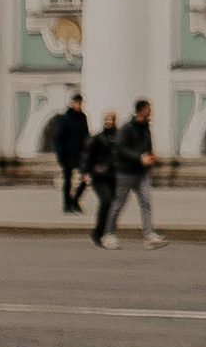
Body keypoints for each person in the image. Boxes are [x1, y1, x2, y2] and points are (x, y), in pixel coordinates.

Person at [105, 99, 163, 250]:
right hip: (125, 172)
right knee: (119, 203)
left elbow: (148, 146)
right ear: (141, 110)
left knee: (146, 202)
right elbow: (120, 148)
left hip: (141, 173)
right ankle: (109, 234)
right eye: (148, 108)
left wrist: (151, 158)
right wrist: (139, 157)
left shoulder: (146, 127)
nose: (150, 111)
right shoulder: (127, 128)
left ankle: (149, 235)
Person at [45, 91, 90, 217]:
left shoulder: (83, 117)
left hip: (81, 154)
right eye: (76, 102)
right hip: (68, 154)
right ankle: (67, 204)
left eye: (80, 103)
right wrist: (61, 155)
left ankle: (74, 200)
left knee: (85, 179)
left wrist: (88, 151)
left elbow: (86, 135)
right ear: (72, 103)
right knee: (68, 180)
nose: (78, 105)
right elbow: (59, 138)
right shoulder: (65, 118)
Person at [88, 108, 123, 248]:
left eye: (110, 119)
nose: (108, 122)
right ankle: (98, 232)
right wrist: (89, 169)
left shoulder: (119, 138)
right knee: (106, 200)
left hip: (113, 176)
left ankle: (108, 232)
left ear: (114, 121)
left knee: (113, 204)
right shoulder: (98, 138)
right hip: (99, 177)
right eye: (106, 119)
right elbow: (88, 155)